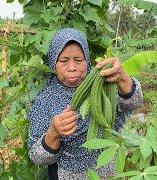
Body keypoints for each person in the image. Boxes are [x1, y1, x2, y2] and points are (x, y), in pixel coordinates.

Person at [27, 28, 143, 179]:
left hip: (107, 171)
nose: (72, 68)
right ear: (53, 62)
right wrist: (53, 134)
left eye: (79, 60)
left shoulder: (104, 84)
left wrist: (123, 78)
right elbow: (37, 157)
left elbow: (134, 103)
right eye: (63, 61)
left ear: (87, 60)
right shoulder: (45, 100)